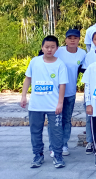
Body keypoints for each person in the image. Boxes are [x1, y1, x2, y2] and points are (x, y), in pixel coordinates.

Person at [20, 35, 69, 169]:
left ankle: (58, 156)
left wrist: (60, 103)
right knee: (35, 131)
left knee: (56, 132)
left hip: (53, 106)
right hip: (36, 105)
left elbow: (62, 85)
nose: (49, 50)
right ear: (42, 47)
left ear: (57, 48)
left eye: (52, 47)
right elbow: (28, 79)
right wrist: (23, 96)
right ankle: (38, 155)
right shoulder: (35, 61)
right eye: (47, 47)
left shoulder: (60, 64)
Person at [50, 29, 86, 157]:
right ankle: (53, 146)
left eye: (75, 38)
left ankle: (64, 144)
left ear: (79, 39)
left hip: (70, 92)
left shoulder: (82, 53)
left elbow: (84, 71)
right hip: (55, 92)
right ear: (65, 39)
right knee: (54, 120)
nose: (72, 40)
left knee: (66, 119)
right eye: (69, 37)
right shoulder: (58, 51)